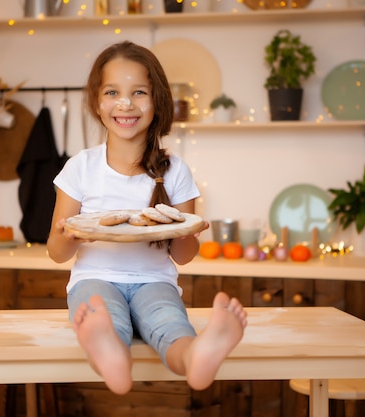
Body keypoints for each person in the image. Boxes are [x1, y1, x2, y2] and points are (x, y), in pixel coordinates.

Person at [47, 41, 247, 395]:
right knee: (104, 321)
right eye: (113, 92)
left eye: (139, 92)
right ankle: (112, 356)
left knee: (170, 324)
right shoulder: (80, 167)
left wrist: (188, 231)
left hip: (155, 281)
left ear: (157, 102)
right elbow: (56, 252)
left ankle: (196, 357)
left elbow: (184, 256)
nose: (125, 104)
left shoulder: (175, 170)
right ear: (97, 101)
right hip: (95, 278)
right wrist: (70, 234)